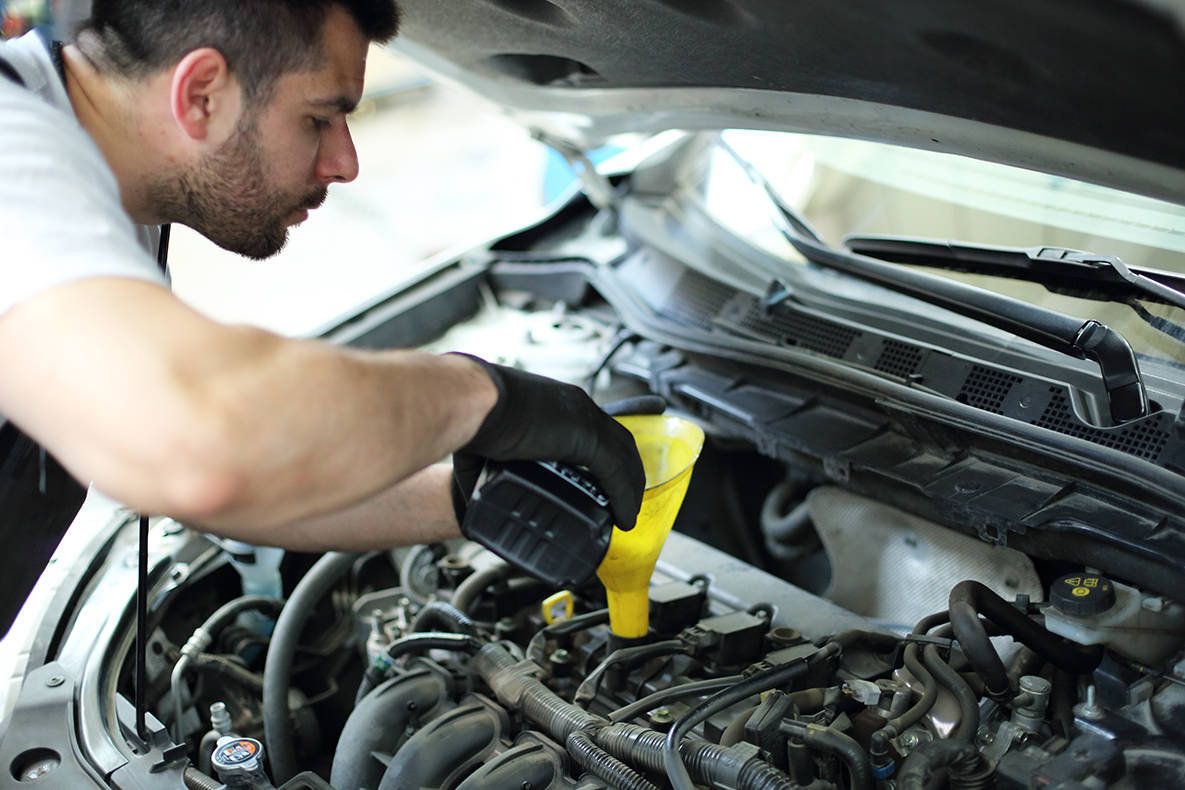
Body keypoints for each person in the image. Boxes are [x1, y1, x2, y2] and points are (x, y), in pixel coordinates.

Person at [0, 0, 645, 557]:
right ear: (201, 95)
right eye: (318, 119)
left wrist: (476, 497)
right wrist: (484, 400)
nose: (346, 164)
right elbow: (196, 442)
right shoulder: (14, 153)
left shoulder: (101, 180)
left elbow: (217, 465)